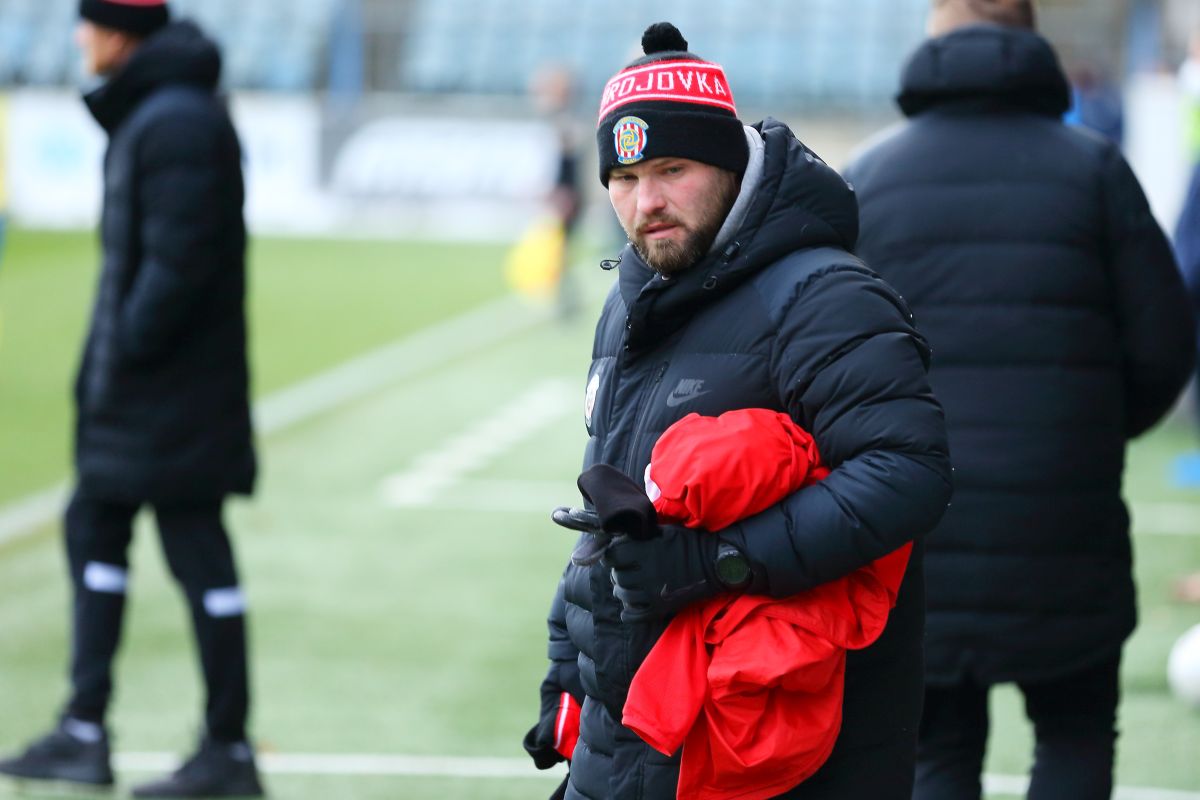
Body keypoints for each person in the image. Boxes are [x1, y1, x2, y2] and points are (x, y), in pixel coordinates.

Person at [525, 21, 953, 800]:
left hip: (772, 752)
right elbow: (611, 503)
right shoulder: (632, 297)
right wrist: (568, 672)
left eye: (672, 169)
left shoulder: (825, 296)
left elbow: (907, 473)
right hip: (628, 737)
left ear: (727, 163)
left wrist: (712, 562)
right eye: (624, 178)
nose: (647, 202)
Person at [843, 1, 1197, 797]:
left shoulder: (870, 175)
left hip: (918, 523)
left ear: (935, 40)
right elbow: (1167, 346)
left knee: (936, 754)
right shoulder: (1095, 169)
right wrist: (1087, 430)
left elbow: (832, 366)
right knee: (1075, 737)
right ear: (1030, 37)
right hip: (1065, 517)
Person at [0, 2, 263, 797]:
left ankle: (222, 746)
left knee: (188, 544)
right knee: (103, 524)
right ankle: (95, 728)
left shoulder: (175, 120)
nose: (79, 36)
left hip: (167, 389)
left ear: (119, 31)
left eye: (88, 22)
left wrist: (125, 358)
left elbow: (176, 266)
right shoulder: (164, 110)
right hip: (163, 386)